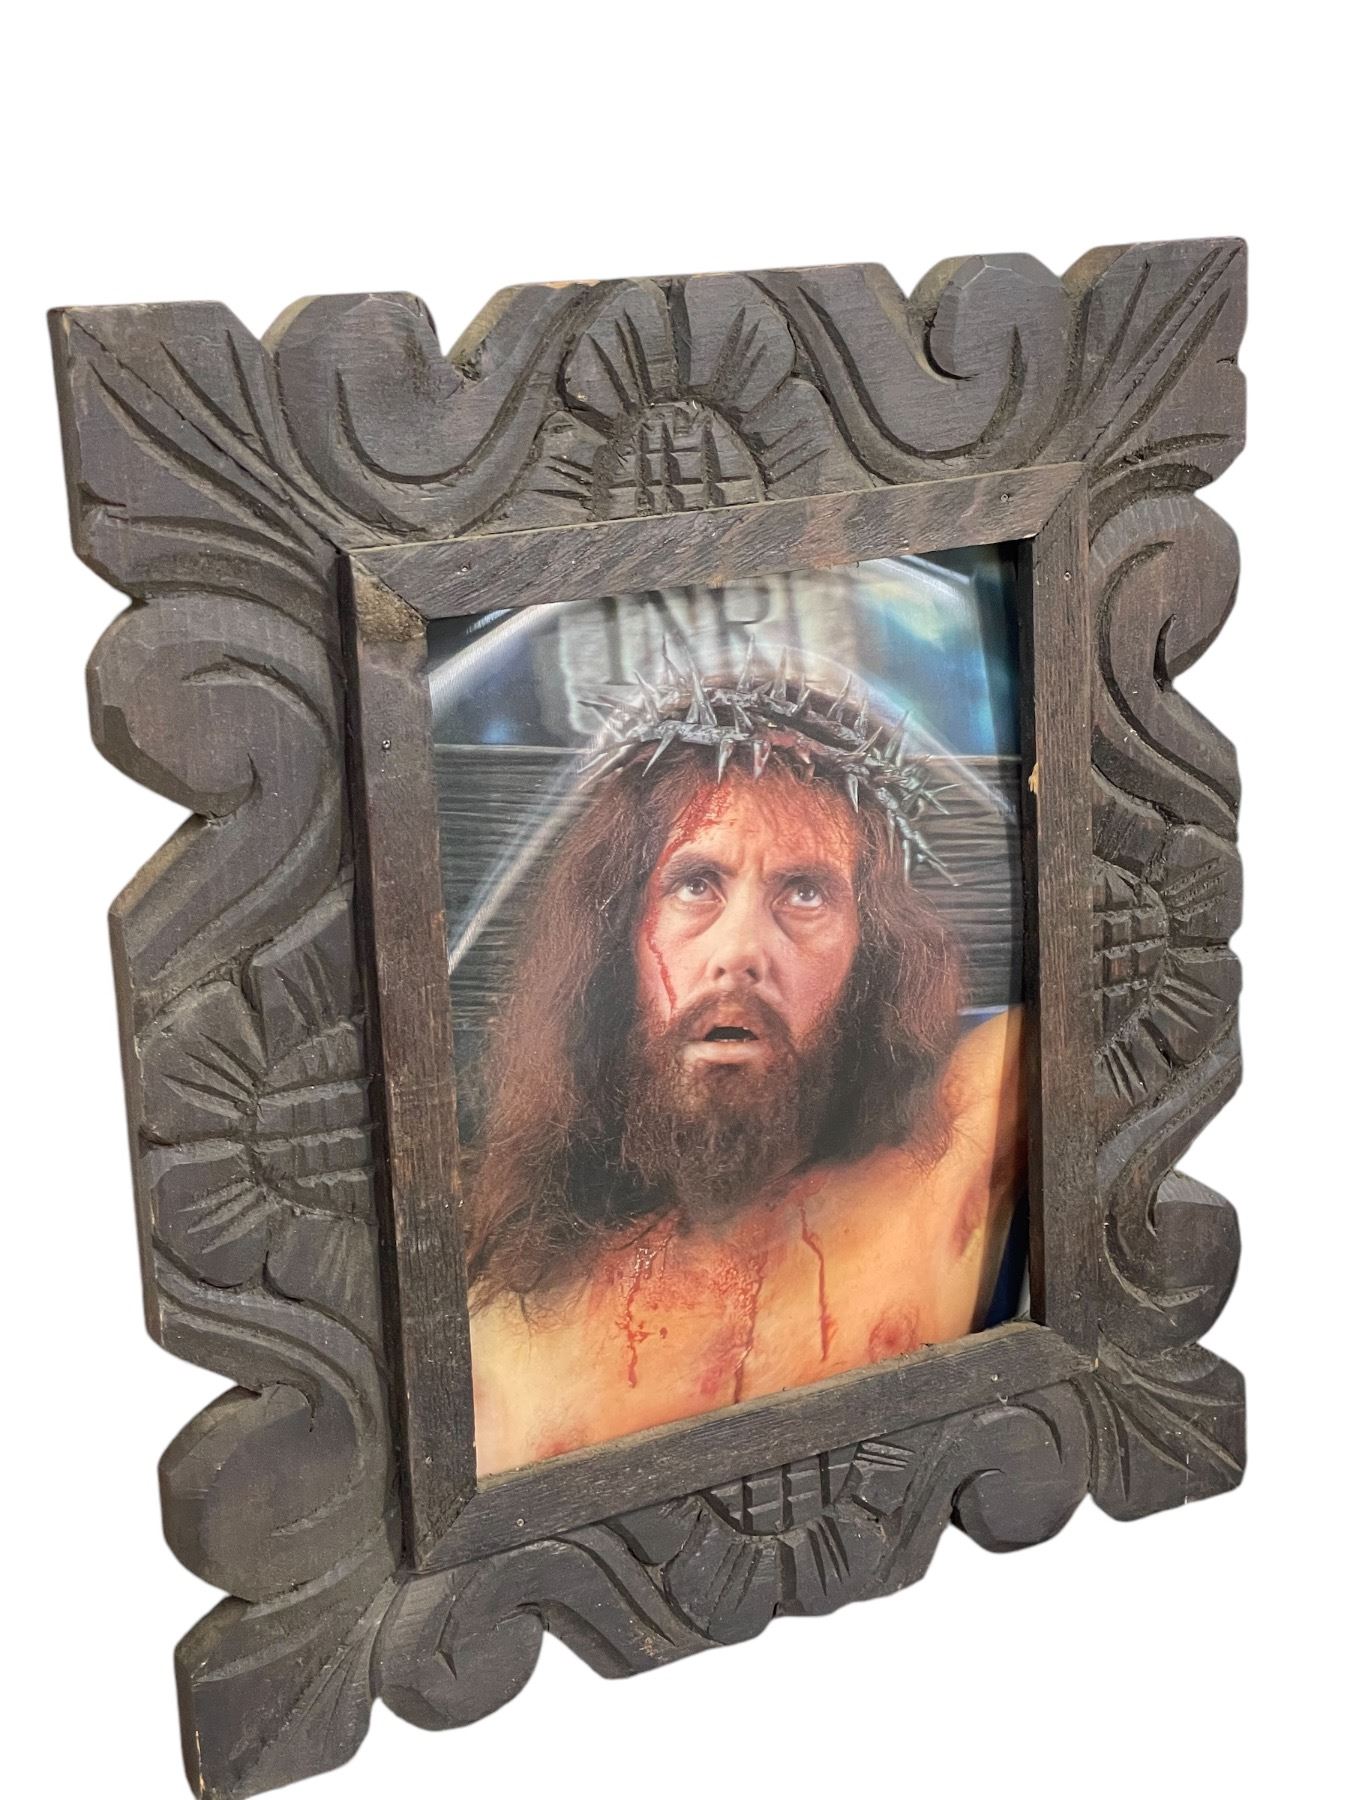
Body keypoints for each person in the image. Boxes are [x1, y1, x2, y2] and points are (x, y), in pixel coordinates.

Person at [464, 655, 1024, 1474]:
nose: (741, 953)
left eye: (805, 893)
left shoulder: (951, 1155)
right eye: (696, 884)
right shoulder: (509, 1317)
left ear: (872, 956)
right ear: (617, 938)